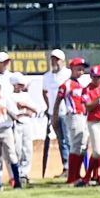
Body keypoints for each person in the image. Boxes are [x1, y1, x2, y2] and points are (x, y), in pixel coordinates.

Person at [57, 57, 90, 183]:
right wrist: (55, 116)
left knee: (83, 145)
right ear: (72, 68)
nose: (81, 71)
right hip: (74, 115)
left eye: (82, 69)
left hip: (83, 115)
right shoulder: (67, 84)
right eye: (78, 68)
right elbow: (58, 100)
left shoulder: (80, 85)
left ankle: (77, 174)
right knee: (76, 145)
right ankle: (72, 176)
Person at [41, 47, 69, 176]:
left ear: (63, 61)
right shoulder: (47, 76)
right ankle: (66, 166)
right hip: (54, 113)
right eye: (52, 59)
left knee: (68, 139)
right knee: (60, 140)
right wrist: (49, 107)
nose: (54, 62)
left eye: (57, 60)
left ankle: (71, 167)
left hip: (67, 112)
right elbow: (45, 92)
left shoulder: (67, 74)